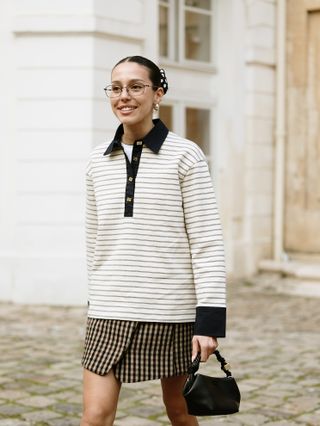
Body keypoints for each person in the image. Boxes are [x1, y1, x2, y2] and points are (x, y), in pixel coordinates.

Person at [80, 55, 226, 426]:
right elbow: (94, 239)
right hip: (109, 308)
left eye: (135, 86)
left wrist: (208, 321)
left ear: (158, 93)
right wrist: (95, 297)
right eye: (115, 88)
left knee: (180, 412)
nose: (123, 96)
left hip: (170, 311)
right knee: (95, 415)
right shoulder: (97, 160)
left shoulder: (186, 155)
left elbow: (206, 240)